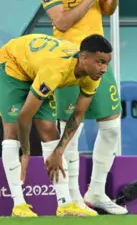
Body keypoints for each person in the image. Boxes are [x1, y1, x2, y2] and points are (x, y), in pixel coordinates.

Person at [35, 0, 135, 215]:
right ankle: (74, 200)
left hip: (99, 60)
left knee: (112, 128)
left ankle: (96, 192)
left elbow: (104, 9)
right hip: (68, 61)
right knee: (72, 131)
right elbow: (62, 22)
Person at [0, 33, 112, 217]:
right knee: (11, 130)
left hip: (37, 68)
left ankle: (65, 204)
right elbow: (24, 117)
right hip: (12, 65)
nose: (104, 69)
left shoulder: (92, 76)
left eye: (106, 63)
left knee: (50, 131)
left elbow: (77, 116)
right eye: (100, 62)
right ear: (83, 58)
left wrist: (59, 152)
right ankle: (18, 205)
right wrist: (26, 153)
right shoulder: (55, 70)